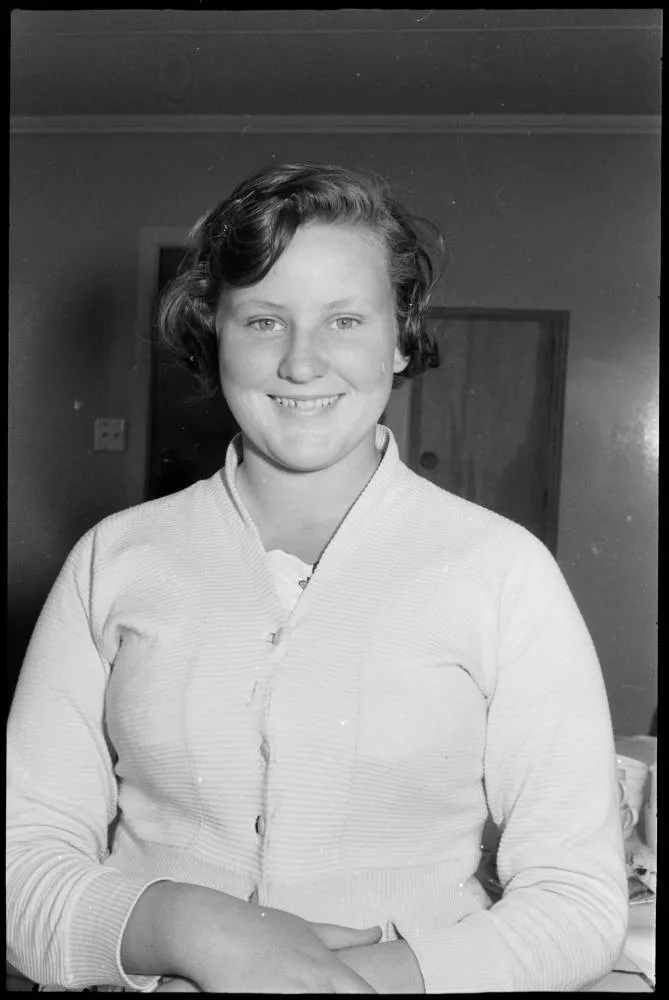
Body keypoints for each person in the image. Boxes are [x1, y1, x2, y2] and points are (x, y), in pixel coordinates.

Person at [7, 162, 628, 994]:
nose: (301, 362)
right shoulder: (113, 559)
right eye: (263, 319)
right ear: (212, 333)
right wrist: (185, 927)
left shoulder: (502, 570)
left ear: (400, 336)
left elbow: (578, 902)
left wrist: (358, 978)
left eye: (344, 319)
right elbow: (20, 861)